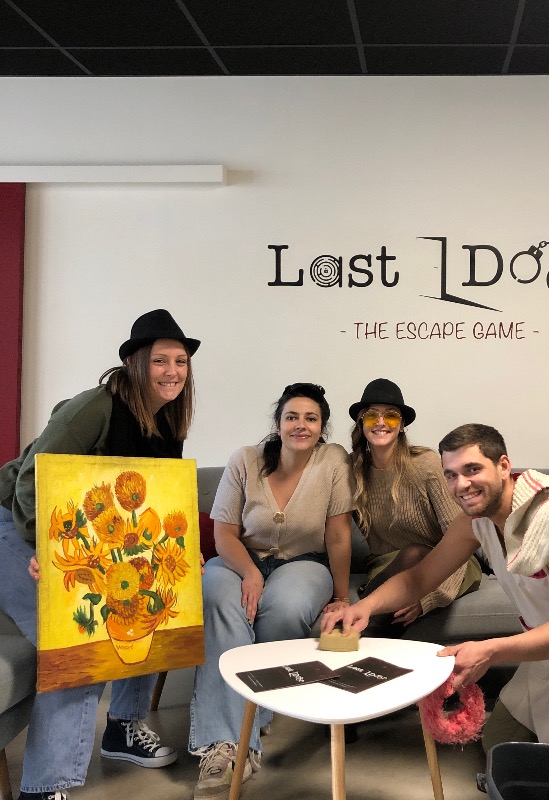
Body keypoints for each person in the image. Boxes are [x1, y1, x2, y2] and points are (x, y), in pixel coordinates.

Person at [323, 424, 549, 796]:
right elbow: (420, 578)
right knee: (498, 745)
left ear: (504, 466)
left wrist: (490, 651)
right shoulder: (475, 522)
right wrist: (364, 607)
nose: (461, 484)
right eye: (451, 475)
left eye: (472, 470)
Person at [0, 308, 200, 800]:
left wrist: (177, 552)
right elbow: (31, 484)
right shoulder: (93, 407)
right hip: (16, 524)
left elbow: (156, 500)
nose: (172, 371)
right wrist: (46, 548)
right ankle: (44, 787)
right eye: (160, 360)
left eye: (180, 361)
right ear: (135, 363)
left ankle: (123, 727)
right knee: (78, 644)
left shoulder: (169, 420)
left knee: (153, 605)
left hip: (80, 534)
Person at [190, 382, 355, 800]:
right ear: (278, 423)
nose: (301, 425)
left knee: (287, 606)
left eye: (311, 418)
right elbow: (224, 534)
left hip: (305, 563)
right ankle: (225, 745)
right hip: (239, 559)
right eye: (292, 416)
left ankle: (253, 713)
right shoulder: (244, 460)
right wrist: (249, 572)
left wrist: (341, 596)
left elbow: (338, 534)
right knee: (217, 596)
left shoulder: (333, 461)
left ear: (322, 427)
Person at [349, 378, 481, 633]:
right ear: (361, 423)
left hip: (448, 562)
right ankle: (366, 632)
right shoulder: (353, 470)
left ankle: (359, 634)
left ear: (401, 426)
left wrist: (430, 598)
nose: (380, 422)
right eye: (371, 415)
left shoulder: (426, 465)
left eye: (390, 416)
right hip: (388, 566)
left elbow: (460, 538)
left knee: (415, 554)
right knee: (410, 556)